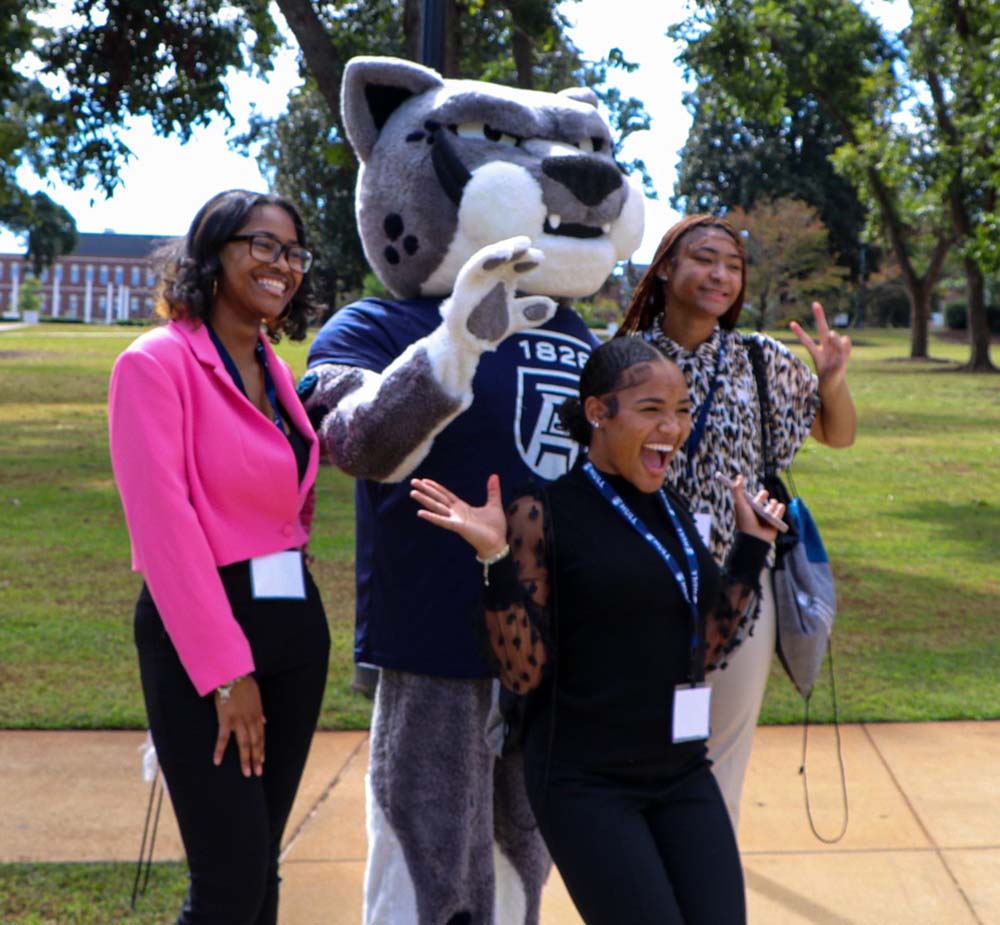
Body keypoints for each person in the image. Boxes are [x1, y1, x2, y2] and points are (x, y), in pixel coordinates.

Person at [409, 337, 785, 925]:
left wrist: (750, 550)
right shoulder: (542, 513)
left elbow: (702, 648)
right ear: (597, 413)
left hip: (681, 769)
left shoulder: (675, 512)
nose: (673, 427)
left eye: (682, 410)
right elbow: (522, 671)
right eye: (652, 409)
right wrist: (495, 563)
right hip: (585, 781)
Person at [108, 189, 330, 925]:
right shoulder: (156, 363)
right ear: (213, 251)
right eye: (262, 244)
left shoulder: (277, 371)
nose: (283, 264)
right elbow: (164, 529)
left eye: (293, 251)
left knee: (260, 867)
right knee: (229, 881)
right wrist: (226, 671)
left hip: (295, 632)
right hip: (206, 641)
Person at [617, 214, 856, 827]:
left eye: (733, 264)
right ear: (665, 266)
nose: (720, 274)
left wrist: (831, 381)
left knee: (718, 759)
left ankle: (704, 884)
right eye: (704, 258)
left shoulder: (758, 359)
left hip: (740, 585)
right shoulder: (621, 359)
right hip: (641, 589)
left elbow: (839, 433)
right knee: (645, 751)